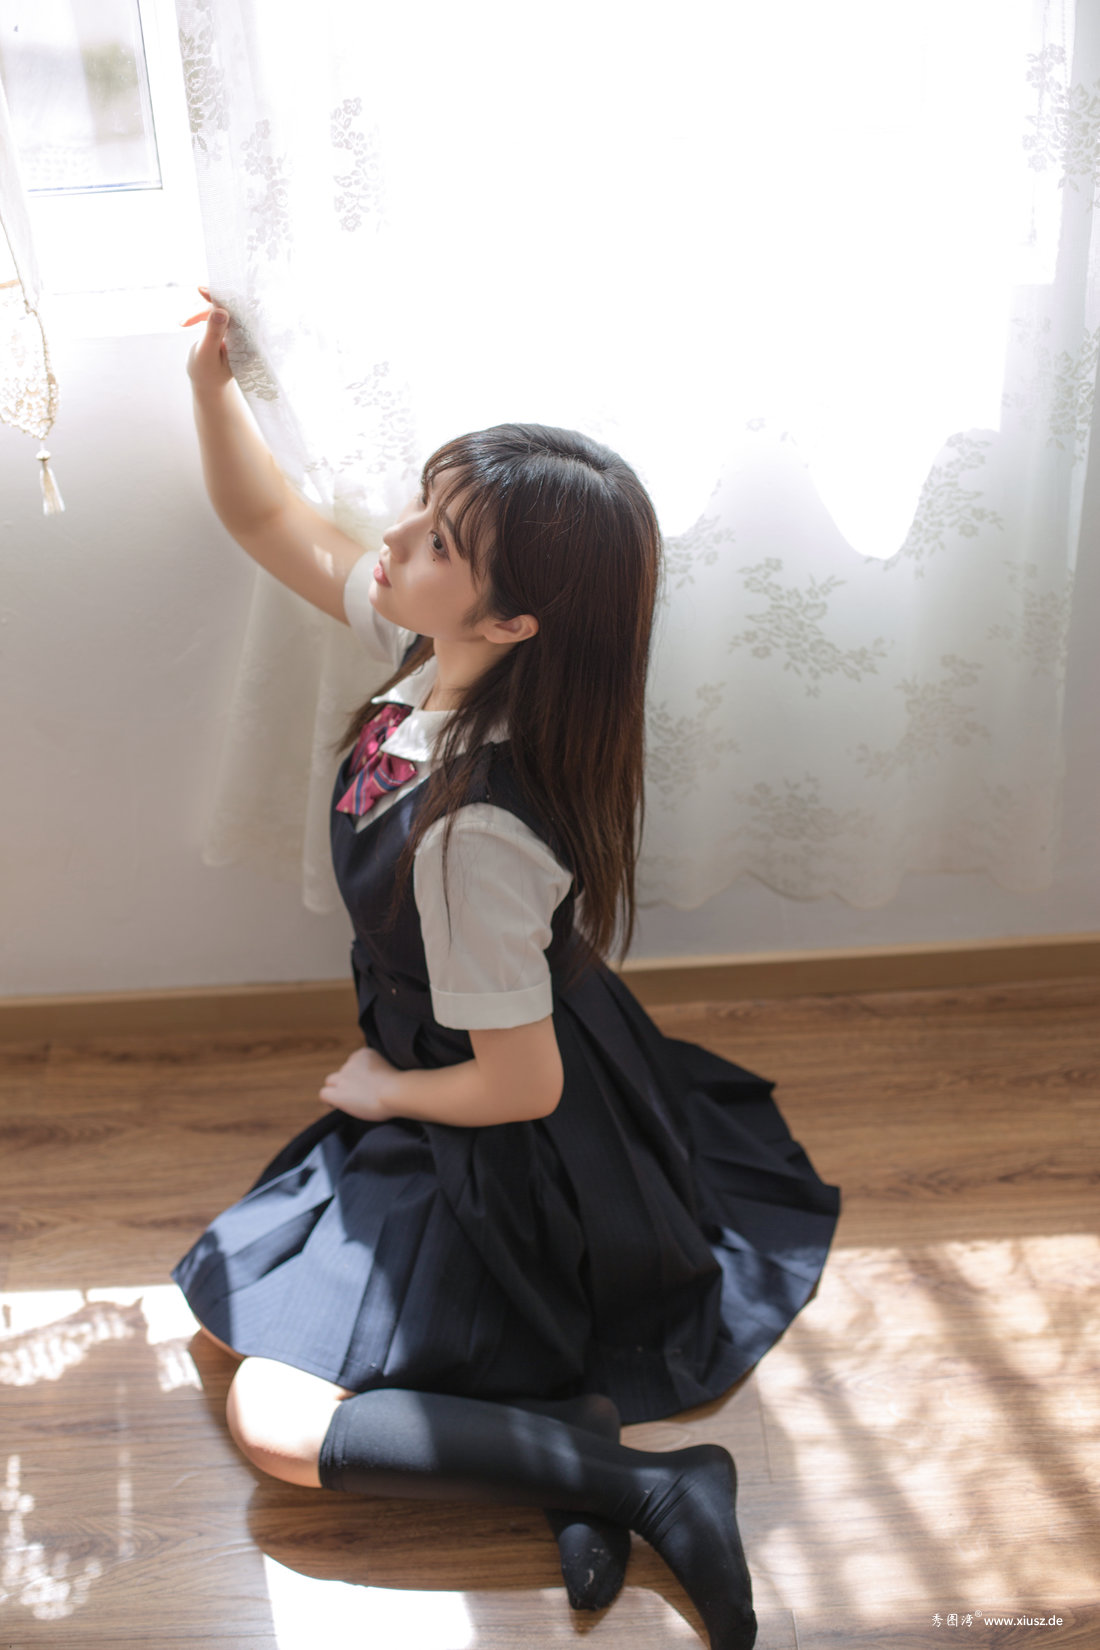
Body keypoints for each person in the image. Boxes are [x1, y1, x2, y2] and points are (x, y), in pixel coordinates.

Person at [173, 291, 841, 1650]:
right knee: (242, 1323)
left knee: (272, 1416)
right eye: (424, 511)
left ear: (518, 620)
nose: (393, 541)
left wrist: (383, 1093)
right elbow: (269, 524)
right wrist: (209, 386)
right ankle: (572, 1445)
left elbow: (522, 1086)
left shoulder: (475, 831)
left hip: (508, 1127)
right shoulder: (436, 660)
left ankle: (649, 1482)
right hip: (488, 1063)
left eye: (437, 540)